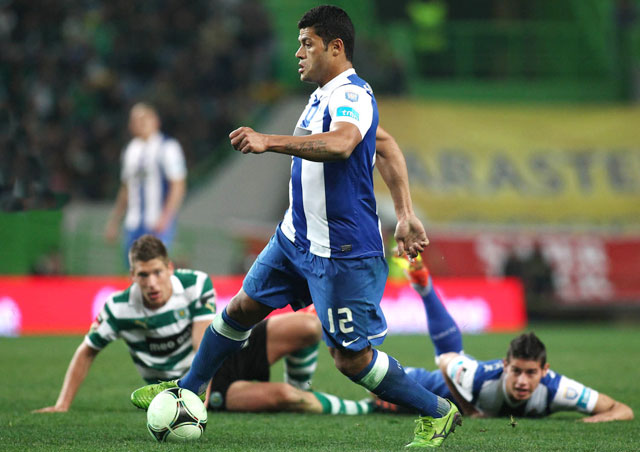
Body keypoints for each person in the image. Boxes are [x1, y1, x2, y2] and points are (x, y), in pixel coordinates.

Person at [131, 5, 460, 448]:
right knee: (242, 308)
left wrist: (269, 141)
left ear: (335, 47)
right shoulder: (323, 95)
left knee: (351, 359)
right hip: (295, 238)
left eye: (307, 44)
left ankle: (437, 410)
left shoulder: (352, 95)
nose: (298, 53)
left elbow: (344, 144)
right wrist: (405, 213)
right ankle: (187, 389)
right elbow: (383, 144)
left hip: (341, 252)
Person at [33, 235, 373, 416]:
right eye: (143, 275)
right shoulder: (118, 308)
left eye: (157, 272)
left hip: (216, 357)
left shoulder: (195, 284)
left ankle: (304, 386)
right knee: (286, 398)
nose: (151, 282)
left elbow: (203, 343)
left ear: (169, 268)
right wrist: (63, 403)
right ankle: (362, 407)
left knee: (309, 327)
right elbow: (87, 350)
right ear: (132, 276)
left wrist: (201, 390)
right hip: (191, 385)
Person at [374, 254, 634, 423]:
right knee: (377, 384)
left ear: (545, 371)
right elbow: (446, 361)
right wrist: (470, 409)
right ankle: (425, 288)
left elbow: (623, 410)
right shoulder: (481, 376)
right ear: (505, 365)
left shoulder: (560, 390)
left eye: (531, 373)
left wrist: (595, 419)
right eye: (516, 371)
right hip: (449, 386)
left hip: (473, 389)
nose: (522, 381)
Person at [104, 103, 187, 266]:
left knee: (154, 268)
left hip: (156, 221)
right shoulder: (130, 150)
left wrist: (166, 217)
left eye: (144, 118)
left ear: (155, 120)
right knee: (134, 269)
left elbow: (178, 185)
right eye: (134, 120)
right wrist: (114, 221)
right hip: (133, 222)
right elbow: (126, 188)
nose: (139, 123)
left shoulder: (168, 147)